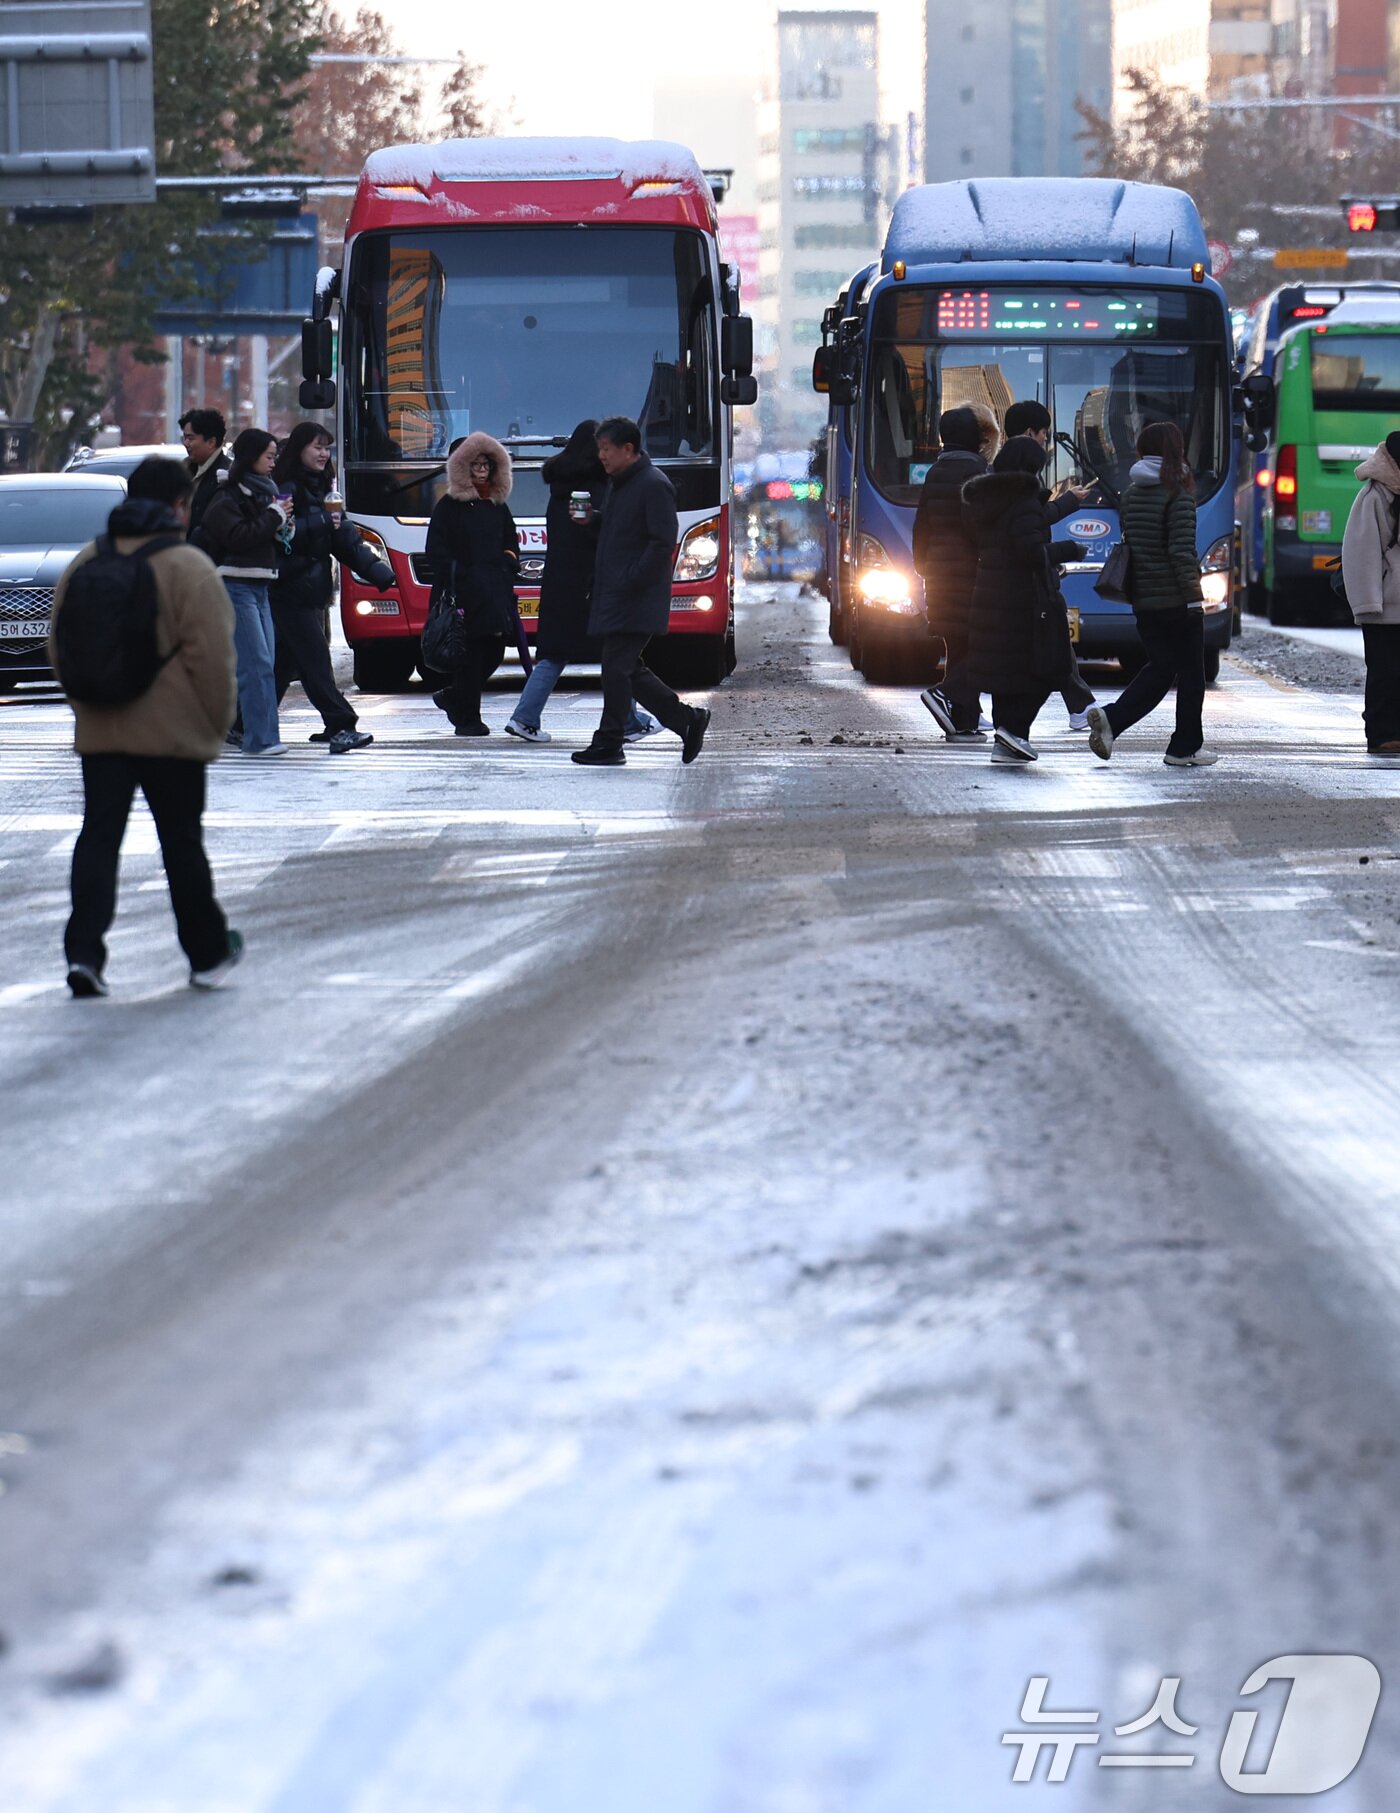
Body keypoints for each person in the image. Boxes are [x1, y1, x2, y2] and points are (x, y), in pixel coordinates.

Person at [48, 457, 244, 997]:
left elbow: (59, 644)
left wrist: (86, 707)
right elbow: (214, 661)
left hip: (102, 732)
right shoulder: (189, 567)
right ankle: (206, 954)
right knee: (181, 844)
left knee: (98, 840)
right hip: (174, 738)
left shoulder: (88, 559)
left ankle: (84, 954)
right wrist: (216, 725)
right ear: (180, 505)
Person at [503, 419, 658, 746]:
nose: (605, 454)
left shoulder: (560, 490)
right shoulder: (594, 490)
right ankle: (627, 720)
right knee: (617, 656)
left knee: (554, 655)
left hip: (560, 583)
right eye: (601, 447)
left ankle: (525, 717)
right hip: (589, 585)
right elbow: (597, 535)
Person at [571, 416, 709, 768]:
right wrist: (594, 519)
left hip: (636, 595)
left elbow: (662, 541)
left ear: (627, 450)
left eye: (606, 449)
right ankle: (685, 720)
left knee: (617, 668)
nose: (600, 455)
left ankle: (610, 741)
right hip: (619, 593)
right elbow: (627, 530)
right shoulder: (623, 482)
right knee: (626, 668)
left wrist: (632, 578)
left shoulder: (652, 484)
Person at [1085, 422, 1216, 769]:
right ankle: (1184, 747)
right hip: (1176, 600)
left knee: (1160, 669)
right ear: (1177, 450)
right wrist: (1193, 597)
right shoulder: (1178, 494)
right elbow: (1181, 552)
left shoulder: (1130, 493)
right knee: (1191, 676)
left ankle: (1113, 721)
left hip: (1145, 601)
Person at [269, 424, 391, 753]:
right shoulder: (286, 488)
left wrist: (377, 571)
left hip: (312, 590)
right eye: (317, 447)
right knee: (315, 661)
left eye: (327, 448)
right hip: (289, 589)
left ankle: (241, 723)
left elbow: (344, 537)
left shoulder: (323, 487)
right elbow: (283, 536)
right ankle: (341, 724)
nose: (324, 454)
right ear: (299, 450)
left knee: (285, 664)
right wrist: (323, 522)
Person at [963, 435, 1082, 765]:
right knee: (1050, 668)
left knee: (1006, 675)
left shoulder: (987, 499)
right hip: (1026, 601)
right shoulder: (1024, 500)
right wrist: (1070, 550)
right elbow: (1031, 553)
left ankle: (1007, 741)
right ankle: (1014, 731)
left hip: (991, 596)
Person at [1002, 398, 1098, 731]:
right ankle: (1007, 728)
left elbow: (1033, 520)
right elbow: (1031, 533)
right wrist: (1067, 548)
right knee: (1044, 653)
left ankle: (1080, 705)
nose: (1046, 441)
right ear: (1030, 433)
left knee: (1051, 644)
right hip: (1029, 584)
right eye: (1044, 434)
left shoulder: (1006, 474)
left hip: (1032, 582)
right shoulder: (1019, 478)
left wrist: (1069, 501)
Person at [199, 428, 291, 757]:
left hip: (262, 583)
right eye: (268, 456)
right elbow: (239, 537)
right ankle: (259, 739)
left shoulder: (265, 492)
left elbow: (265, 534)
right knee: (255, 664)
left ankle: (266, 737)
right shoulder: (227, 496)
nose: (273, 463)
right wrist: (274, 517)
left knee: (265, 664)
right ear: (250, 457)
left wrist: (282, 525)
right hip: (236, 585)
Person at [426, 432, 521, 736]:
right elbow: (436, 551)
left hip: (493, 592)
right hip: (462, 594)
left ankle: (455, 697)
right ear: (461, 467)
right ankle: (469, 719)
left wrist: (507, 564)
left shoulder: (497, 505)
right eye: (475, 464)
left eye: (486, 464)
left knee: (494, 651)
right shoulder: (448, 507)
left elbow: (511, 540)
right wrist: (460, 575)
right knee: (471, 655)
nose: (481, 469)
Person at [914, 404, 998, 741]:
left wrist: (925, 567)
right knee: (981, 645)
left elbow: (922, 526)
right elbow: (979, 528)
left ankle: (965, 722)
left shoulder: (934, 472)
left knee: (958, 647)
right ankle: (945, 693)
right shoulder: (978, 472)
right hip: (971, 576)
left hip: (939, 574)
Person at [1339, 429, 1400, 755]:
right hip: (1384, 606)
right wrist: (1367, 604)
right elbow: (1360, 552)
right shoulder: (1374, 496)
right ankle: (1381, 734)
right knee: (1385, 673)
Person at [180, 408, 229, 545]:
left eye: (190, 438)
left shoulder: (226, 475)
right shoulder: (183, 470)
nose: (185, 443)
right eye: (184, 437)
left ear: (211, 442)